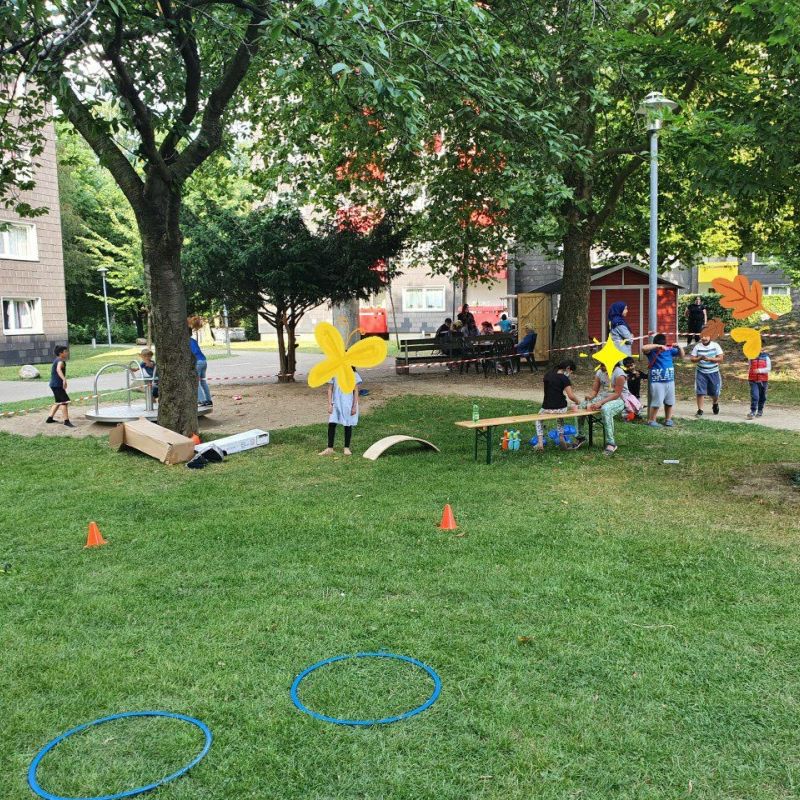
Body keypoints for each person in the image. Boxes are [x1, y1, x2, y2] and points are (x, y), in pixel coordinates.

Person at [575, 361, 628, 455]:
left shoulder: (620, 374)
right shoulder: (599, 372)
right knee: (581, 406)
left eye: (603, 365)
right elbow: (594, 390)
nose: (601, 367)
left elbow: (616, 394)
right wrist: (590, 397)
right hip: (604, 396)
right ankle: (580, 437)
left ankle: (611, 443)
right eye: (600, 364)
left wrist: (600, 403)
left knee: (606, 409)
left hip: (620, 399)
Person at [533, 359, 581, 451]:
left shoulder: (547, 375)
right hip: (561, 408)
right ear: (568, 368)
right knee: (560, 418)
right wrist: (578, 402)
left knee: (538, 420)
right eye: (571, 372)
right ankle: (561, 439)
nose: (570, 374)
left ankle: (540, 444)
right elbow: (571, 396)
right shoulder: (564, 378)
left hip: (546, 408)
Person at [642, 335, 684, 427]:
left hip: (670, 380)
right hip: (657, 381)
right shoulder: (651, 351)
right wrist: (657, 346)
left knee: (669, 402)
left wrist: (679, 347)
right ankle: (651, 420)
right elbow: (644, 348)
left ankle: (668, 419)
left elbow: (682, 356)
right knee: (656, 402)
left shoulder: (669, 350)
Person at [319, 368, 361, 456]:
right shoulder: (334, 373)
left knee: (347, 424)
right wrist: (330, 404)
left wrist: (354, 406)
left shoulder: (353, 374)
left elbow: (356, 391)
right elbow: (330, 389)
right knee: (332, 423)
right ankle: (329, 448)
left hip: (348, 402)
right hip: (335, 402)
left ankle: (346, 448)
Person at [690, 332, 724, 416]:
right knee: (700, 391)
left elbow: (720, 358)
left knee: (715, 392)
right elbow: (692, 359)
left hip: (714, 372)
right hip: (701, 372)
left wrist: (709, 359)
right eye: (702, 336)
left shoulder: (715, 345)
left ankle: (715, 403)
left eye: (706, 336)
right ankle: (700, 410)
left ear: (710, 336)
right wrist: (699, 358)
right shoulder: (697, 347)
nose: (704, 338)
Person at [45, 345, 74, 428]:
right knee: (64, 402)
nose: (67, 353)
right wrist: (64, 379)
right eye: (65, 351)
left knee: (58, 402)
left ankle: (49, 418)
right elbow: (58, 369)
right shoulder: (60, 361)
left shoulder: (57, 360)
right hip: (57, 385)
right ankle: (66, 421)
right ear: (61, 353)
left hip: (54, 385)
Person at [190, 330, 212, 407]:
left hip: (198, 362)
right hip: (203, 361)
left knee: (196, 382)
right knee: (203, 381)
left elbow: (193, 352)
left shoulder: (186, 342)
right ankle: (209, 400)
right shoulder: (193, 340)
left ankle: (202, 400)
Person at [747, 349, 771, 419]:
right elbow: (750, 367)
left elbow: (768, 368)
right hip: (753, 380)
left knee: (762, 397)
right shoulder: (751, 357)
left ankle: (760, 410)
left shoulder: (766, 357)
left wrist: (759, 370)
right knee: (755, 396)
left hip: (763, 380)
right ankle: (753, 411)